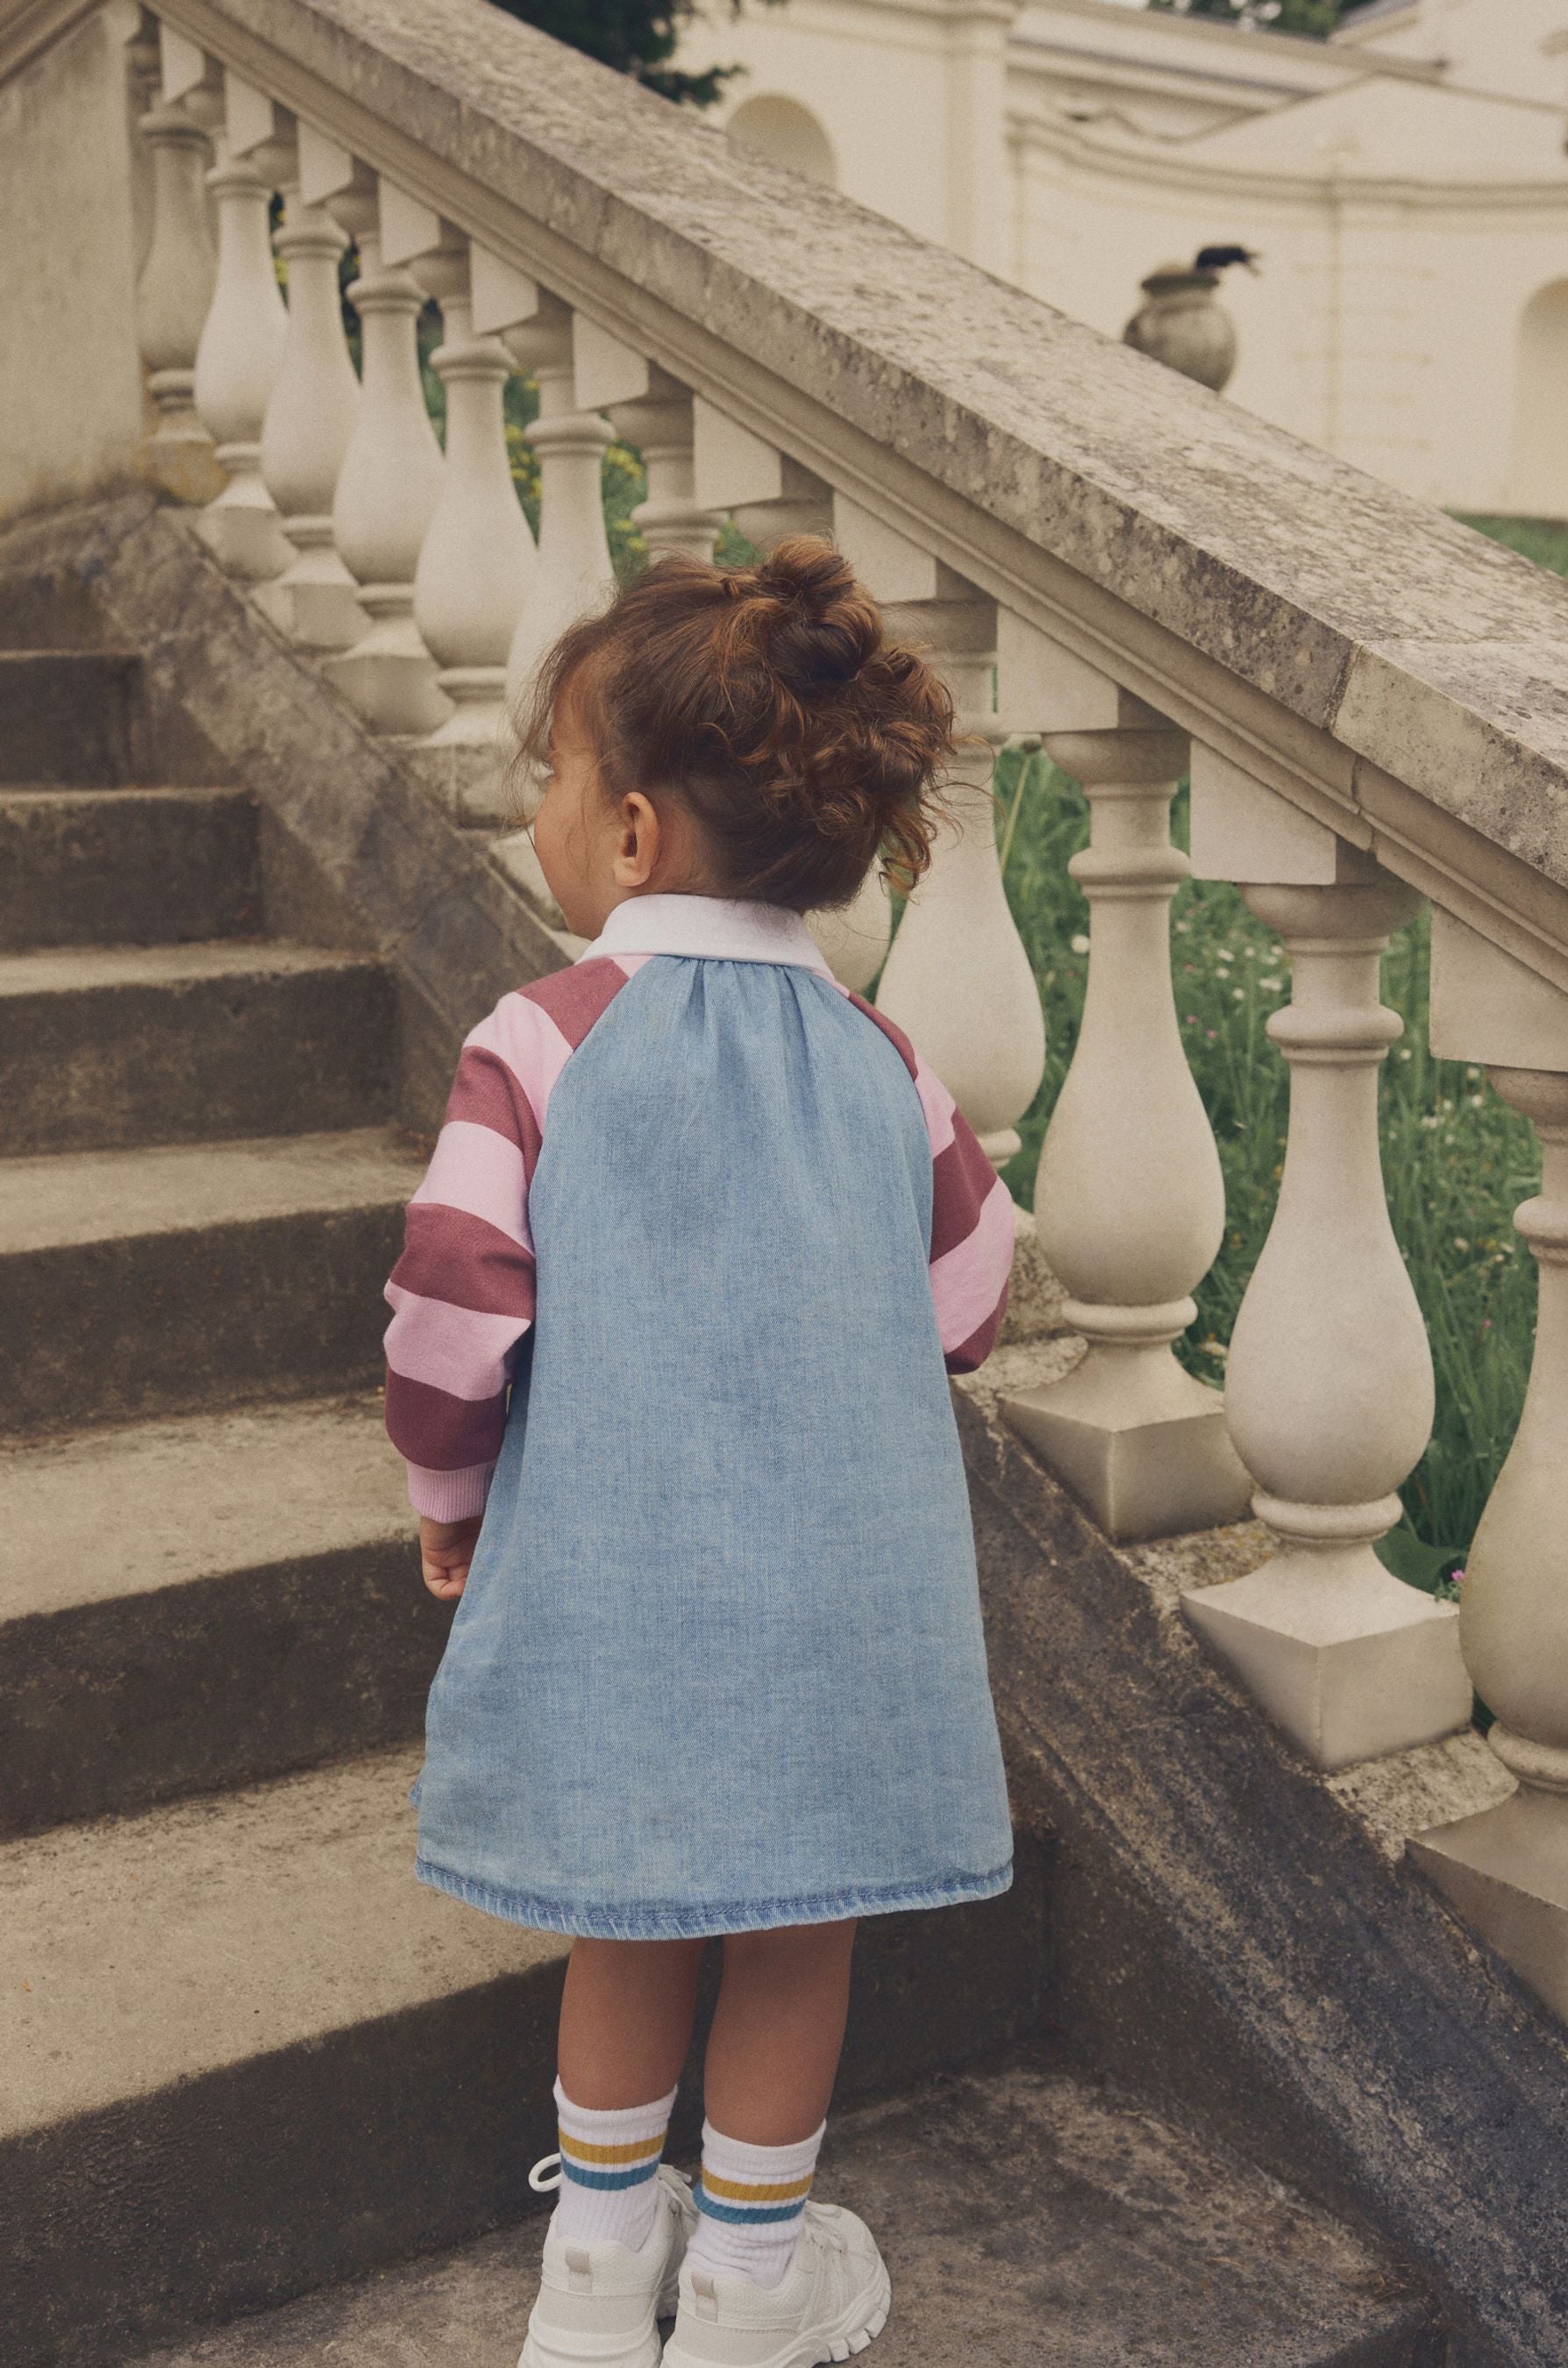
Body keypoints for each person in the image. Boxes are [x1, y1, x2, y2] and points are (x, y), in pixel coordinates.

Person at [381, 537, 1016, 2368]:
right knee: (799, 1931)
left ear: (638, 835)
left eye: (557, 782)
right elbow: (969, 1298)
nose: (548, 815)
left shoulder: (544, 1041)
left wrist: (452, 1497)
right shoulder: (885, 1064)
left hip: (617, 1591)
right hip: (833, 1608)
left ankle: (593, 2279)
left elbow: (448, 1307)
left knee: (627, 1910)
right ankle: (747, 2285)